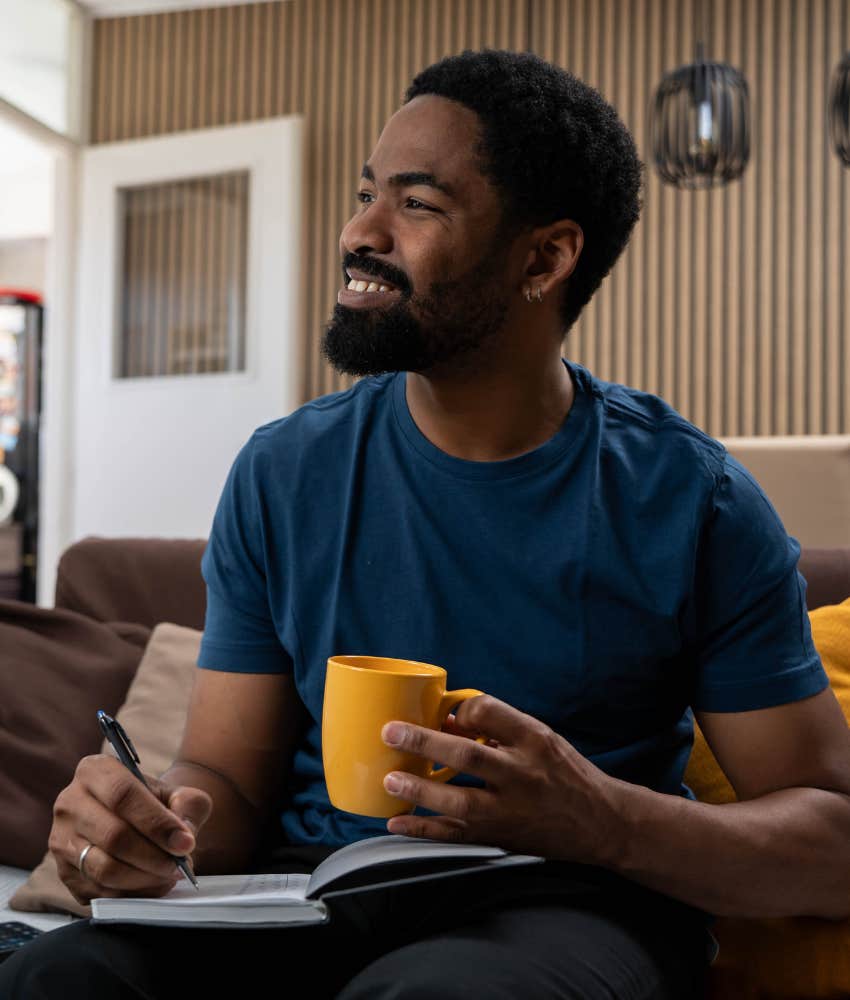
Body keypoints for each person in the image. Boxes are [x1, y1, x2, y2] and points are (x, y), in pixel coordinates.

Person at [4, 48, 850, 999]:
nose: (358, 231)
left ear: (546, 257)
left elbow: (829, 840)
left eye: (416, 204)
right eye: (368, 192)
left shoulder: (693, 498)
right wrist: (145, 826)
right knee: (61, 974)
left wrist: (602, 819)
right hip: (312, 895)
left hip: (573, 901)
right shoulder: (283, 472)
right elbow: (226, 784)